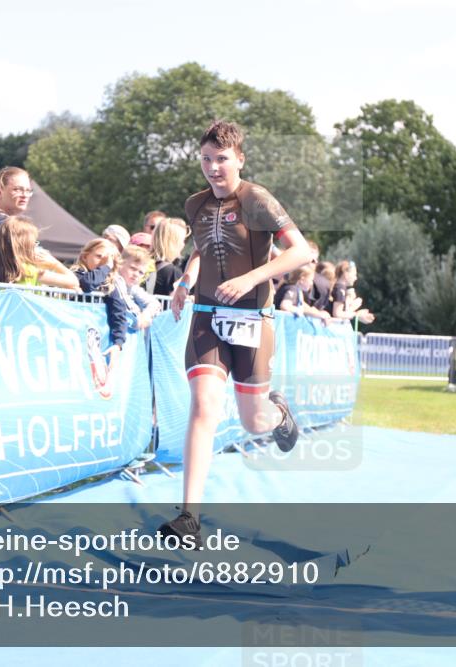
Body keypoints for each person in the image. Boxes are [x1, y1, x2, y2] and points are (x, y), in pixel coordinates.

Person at [161, 120, 312, 542]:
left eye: (222, 159)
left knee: (253, 421)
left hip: (252, 319)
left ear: (240, 159)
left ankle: (278, 413)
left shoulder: (257, 199)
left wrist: (250, 279)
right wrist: (185, 281)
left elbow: (301, 251)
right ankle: (189, 517)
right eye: (206, 160)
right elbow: (202, 247)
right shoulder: (195, 204)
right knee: (204, 408)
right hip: (207, 316)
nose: (213, 168)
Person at [71, 238, 128, 397]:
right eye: (98, 257)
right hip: (74, 339)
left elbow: (119, 314)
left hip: (95, 344)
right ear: (84, 256)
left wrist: (118, 343)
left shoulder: (110, 283)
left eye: (107, 260)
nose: (102, 263)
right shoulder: (76, 273)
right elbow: (87, 285)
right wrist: (107, 266)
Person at [0, 215, 78, 289]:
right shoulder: (29, 271)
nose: (36, 246)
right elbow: (74, 281)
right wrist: (54, 264)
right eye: (34, 242)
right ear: (26, 245)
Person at [113, 245, 162, 330]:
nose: (136, 275)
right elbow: (124, 302)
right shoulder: (115, 280)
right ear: (120, 264)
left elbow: (155, 303)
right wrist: (138, 314)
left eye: (141, 272)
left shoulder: (133, 287)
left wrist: (146, 315)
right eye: (132, 268)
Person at [148, 217, 187, 296]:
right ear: (173, 242)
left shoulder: (144, 263)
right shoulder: (172, 272)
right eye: (182, 240)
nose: (183, 244)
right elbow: (178, 303)